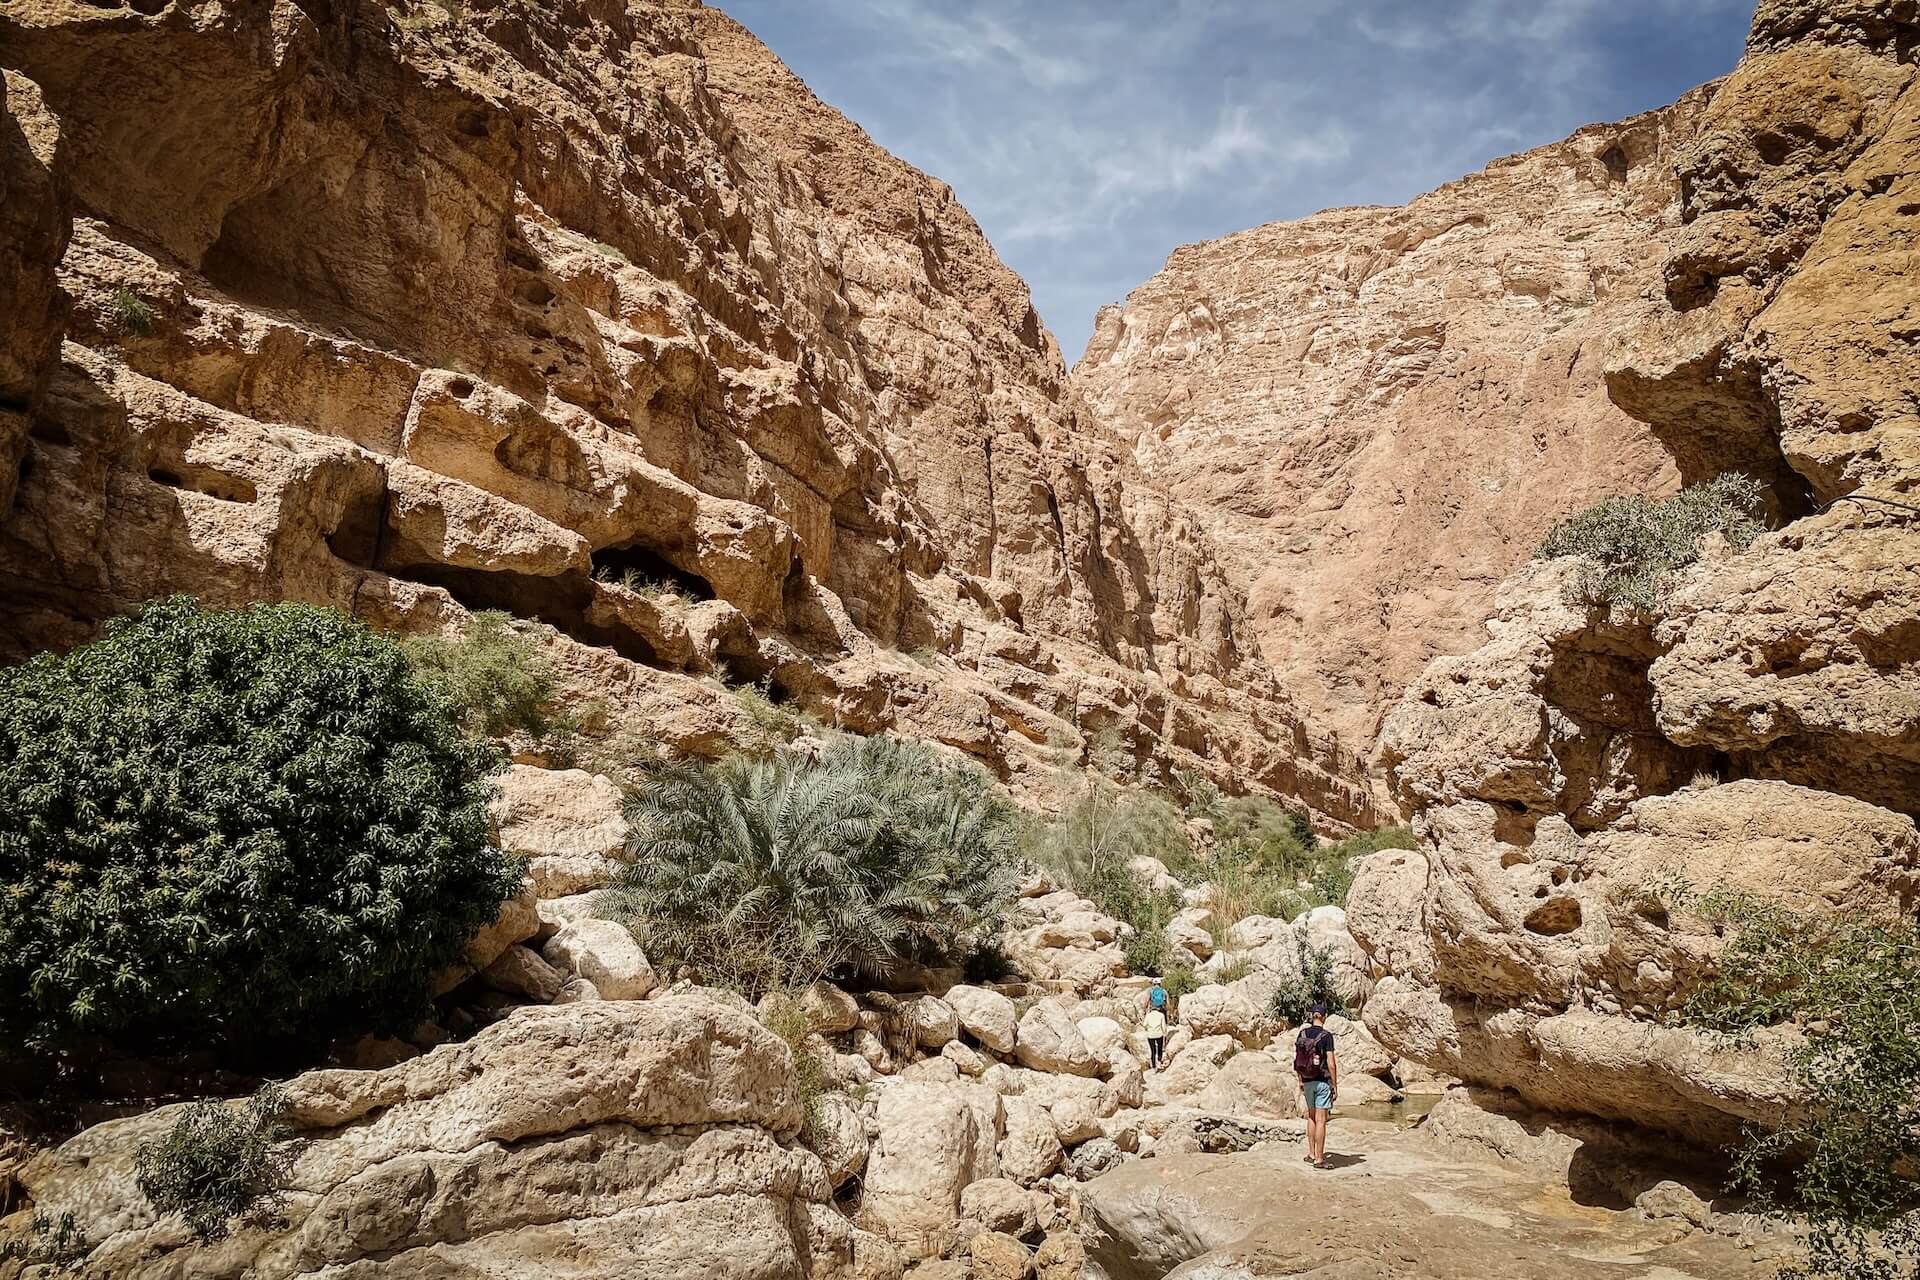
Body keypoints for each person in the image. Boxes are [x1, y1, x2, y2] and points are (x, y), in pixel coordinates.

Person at [1293, 1002, 1338, 1168]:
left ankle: (1311, 1153)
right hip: (1321, 1081)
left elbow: (1297, 1059)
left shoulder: (1302, 1033)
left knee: (1311, 1117)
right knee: (1321, 1119)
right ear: (1324, 1017)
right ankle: (1319, 1159)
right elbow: (1331, 1064)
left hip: (1306, 1080)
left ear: (1312, 1016)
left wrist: (1300, 1080)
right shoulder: (1326, 1036)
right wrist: (1334, 1085)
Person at [1142, 979, 1171, 1070]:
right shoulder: (1164, 991)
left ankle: (1154, 1063)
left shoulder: (1151, 991)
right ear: (1160, 984)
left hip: (1153, 1010)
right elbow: (1168, 1003)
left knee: (1153, 1024)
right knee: (1163, 1027)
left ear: (1154, 984)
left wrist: (1144, 1009)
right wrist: (1169, 1011)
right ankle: (1163, 1045)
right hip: (1162, 1010)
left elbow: (1146, 1001)